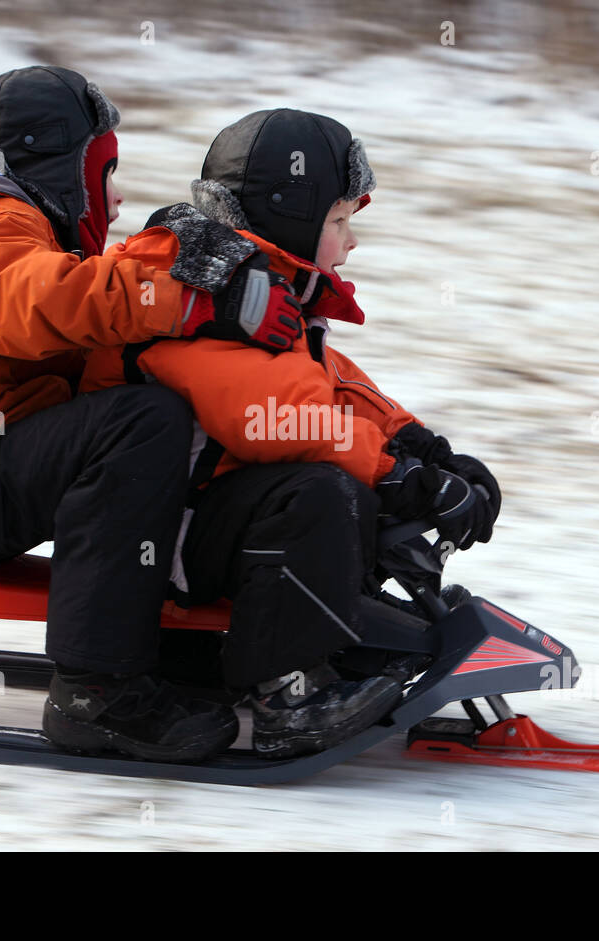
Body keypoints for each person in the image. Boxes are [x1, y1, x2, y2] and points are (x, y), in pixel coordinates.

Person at [0, 68, 305, 764]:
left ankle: (172, 642)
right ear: (57, 167)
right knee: (138, 424)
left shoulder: (11, 233)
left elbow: (70, 321)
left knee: (151, 404)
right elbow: (36, 301)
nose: (114, 202)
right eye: (104, 172)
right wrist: (195, 298)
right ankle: (96, 691)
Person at [76, 109, 503, 759]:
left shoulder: (253, 289)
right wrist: (399, 477)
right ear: (290, 219)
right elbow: (273, 418)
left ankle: (337, 644)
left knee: (341, 486)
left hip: (201, 524)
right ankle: (286, 696)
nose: (350, 242)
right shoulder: (190, 289)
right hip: (154, 543)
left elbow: (333, 384)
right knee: (324, 492)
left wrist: (421, 446)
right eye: (338, 222)